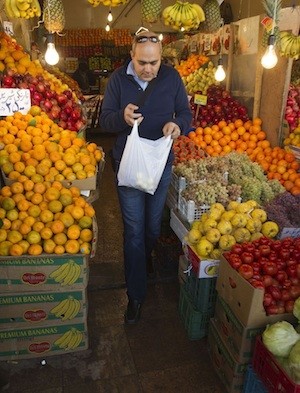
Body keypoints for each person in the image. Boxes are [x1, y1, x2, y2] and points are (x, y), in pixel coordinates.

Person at [99, 29, 192, 325]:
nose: (148, 69)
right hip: (128, 166)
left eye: (153, 63)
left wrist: (176, 125)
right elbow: (105, 121)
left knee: (152, 227)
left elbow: (186, 114)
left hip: (160, 166)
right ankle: (136, 295)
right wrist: (122, 118)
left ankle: (144, 259)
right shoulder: (117, 80)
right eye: (142, 63)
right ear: (132, 56)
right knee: (134, 231)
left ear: (161, 58)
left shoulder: (172, 78)